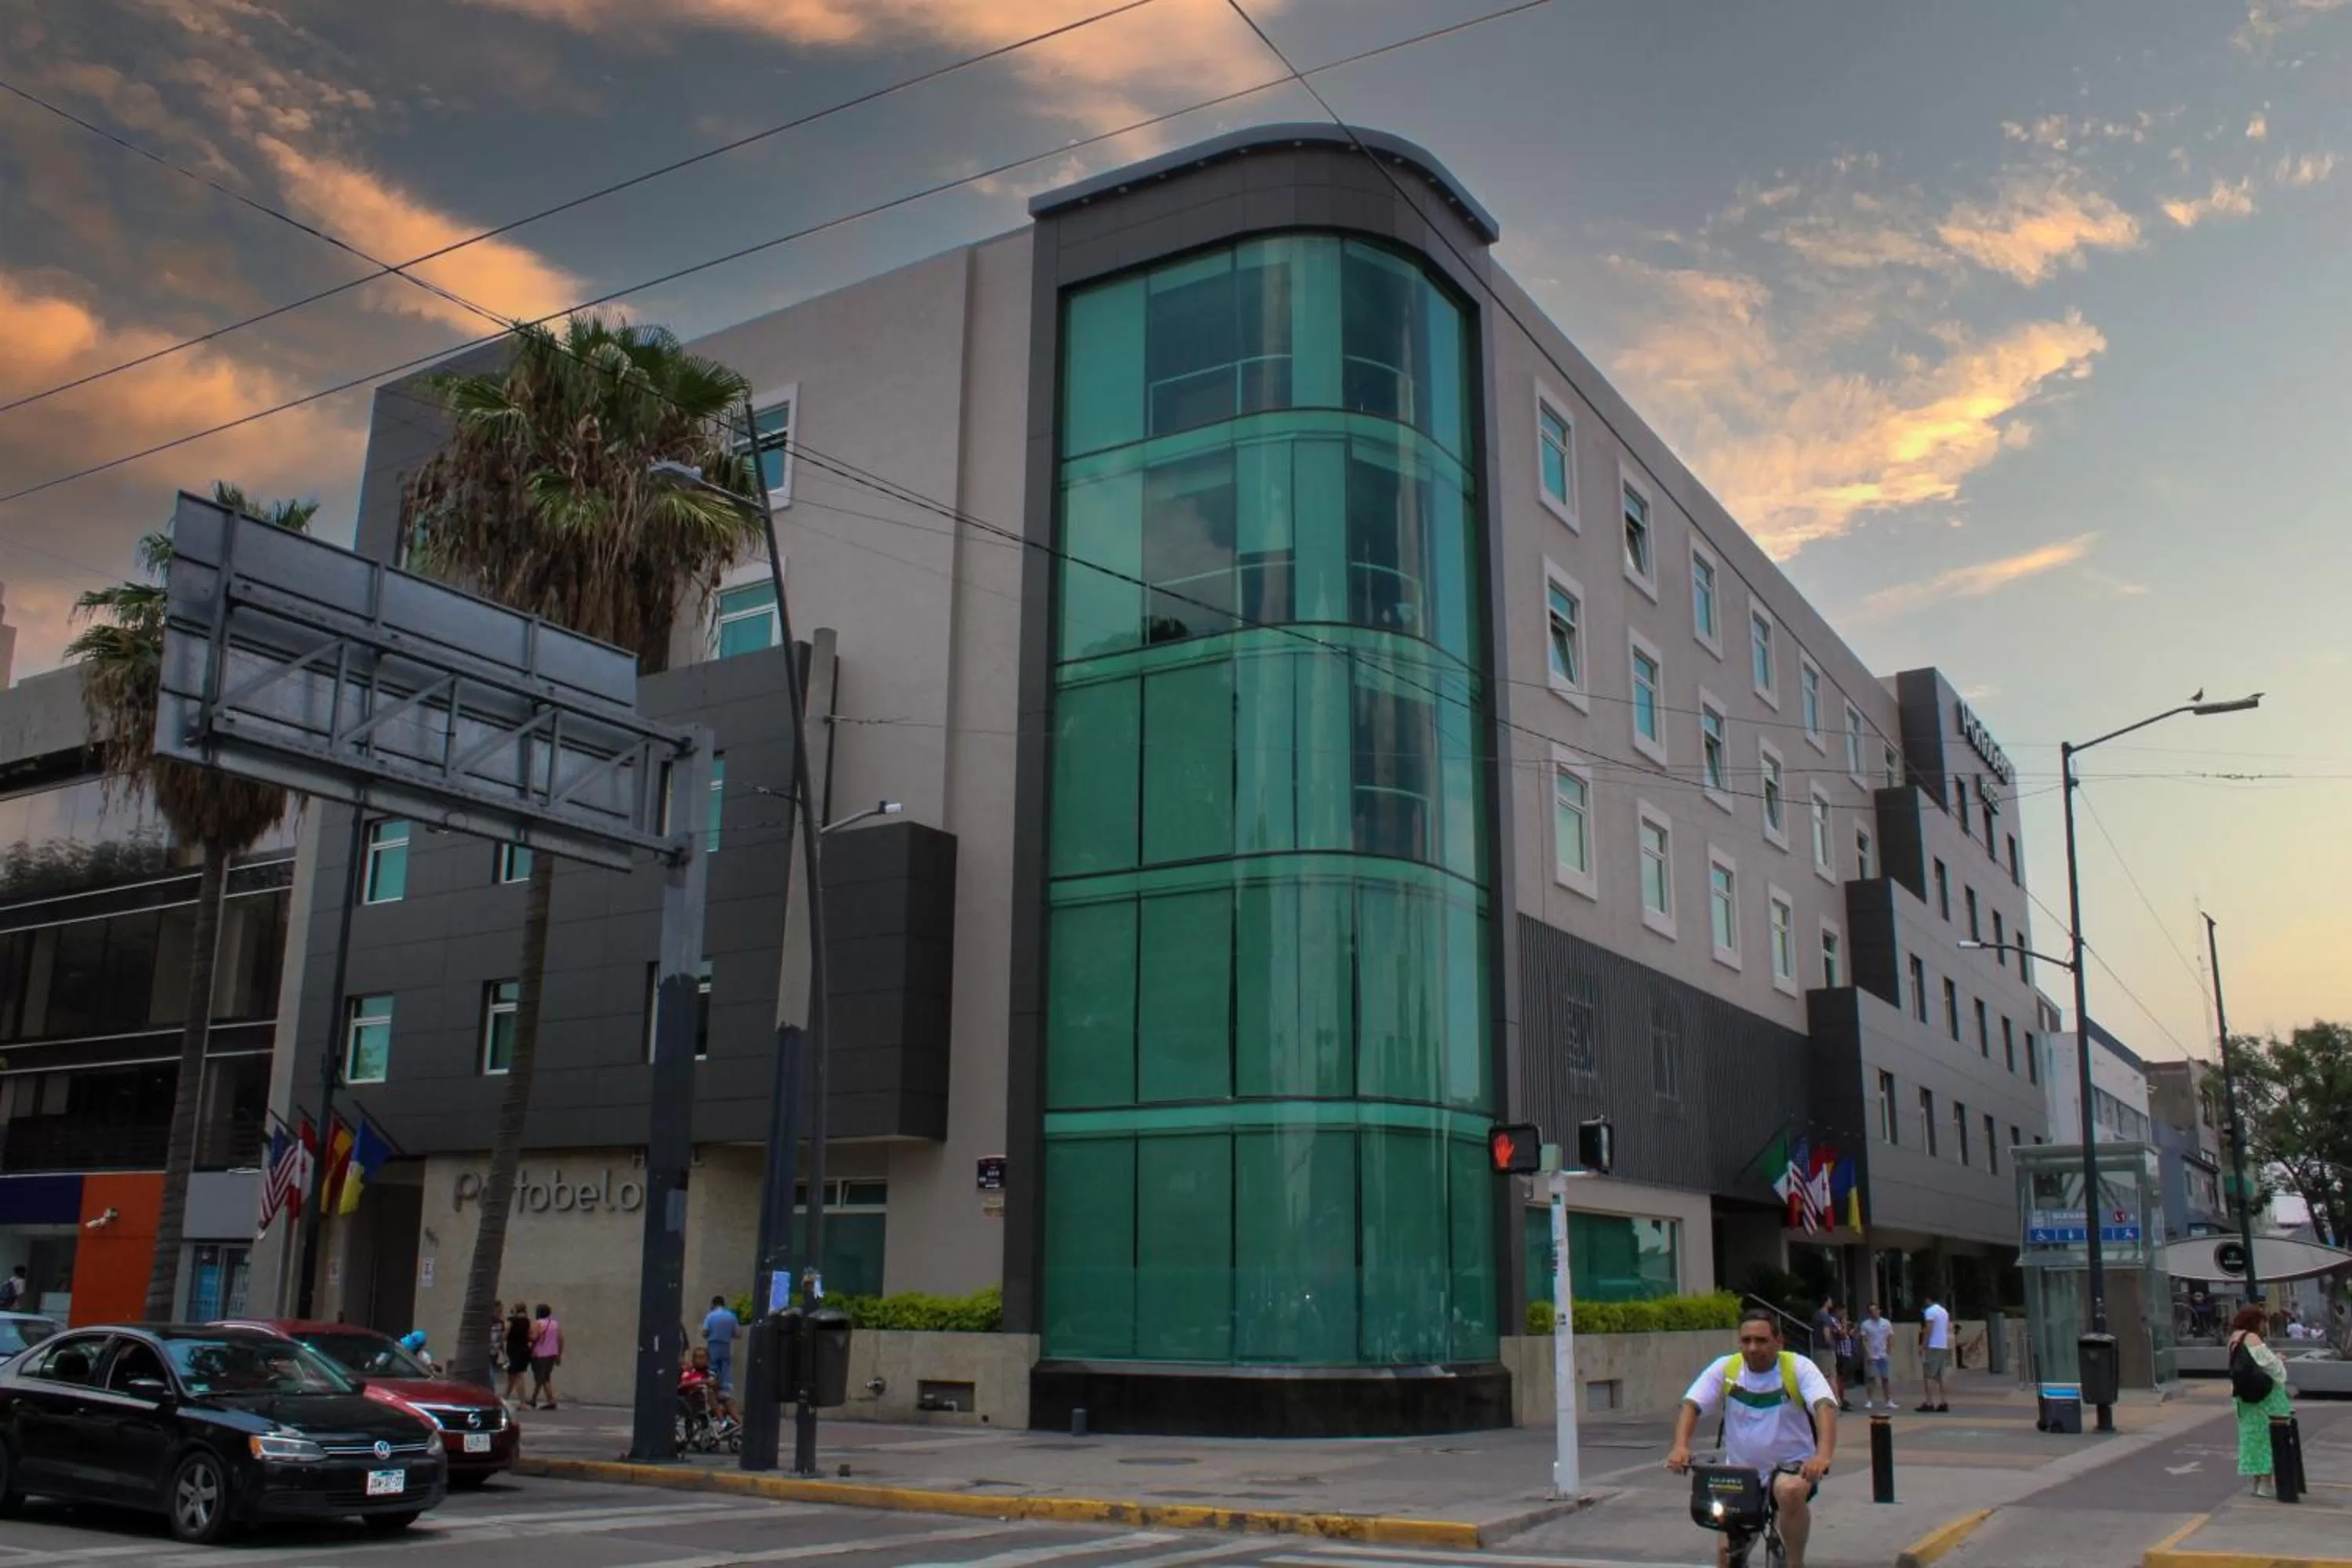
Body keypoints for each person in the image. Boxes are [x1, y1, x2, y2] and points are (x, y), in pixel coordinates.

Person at [1668, 1308, 1838, 1568]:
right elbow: (1692, 1404)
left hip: (1791, 1469)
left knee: (1789, 1491)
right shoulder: (1727, 1368)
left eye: (1761, 1340)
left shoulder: (1797, 1367)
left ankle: (1796, 1564)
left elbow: (1824, 1407)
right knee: (1727, 1559)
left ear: (1779, 1341)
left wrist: (1823, 1456)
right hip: (1742, 1477)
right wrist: (1680, 1447)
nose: (1752, 1348)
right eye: (1746, 1340)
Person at [2228, 1304, 2294, 1497]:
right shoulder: (2252, 1337)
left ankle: (2257, 1482)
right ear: (2256, 1321)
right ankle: (2266, 1483)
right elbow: (2270, 1365)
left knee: (2252, 1438)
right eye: (2263, 1322)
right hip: (2266, 1397)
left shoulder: (2234, 1339)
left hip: (2243, 1397)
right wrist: (2280, 1360)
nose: (2265, 1327)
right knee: (2270, 1438)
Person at [1918, 1293, 1952, 1412]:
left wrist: (1924, 1344)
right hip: (1943, 1345)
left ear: (1928, 1300)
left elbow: (1929, 1328)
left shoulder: (1930, 1312)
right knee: (1941, 1375)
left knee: (1928, 1375)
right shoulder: (1944, 1312)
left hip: (1933, 1345)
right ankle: (1944, 1401)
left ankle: (1929, 1402)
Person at [702, 1294, 741, 1400]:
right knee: (725, 1367)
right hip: (726, 1345)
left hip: (713, 1344)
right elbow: (738, 1334)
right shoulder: (731, 1316)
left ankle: (714, 1390)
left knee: (713, 1367)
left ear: (713, 1304)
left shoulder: (710, 1316)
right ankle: (726, 1390)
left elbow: (705, 1333)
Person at [1859, 1302, 1895, 1412]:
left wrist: (1888, 1352)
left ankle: (1888, 1400)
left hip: (1883, 1354)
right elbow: (1864, 1340)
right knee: (1871, 1378)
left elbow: (1890, 1337)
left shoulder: (1886, 1323)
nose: (1874, 1312)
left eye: (1876, 1310)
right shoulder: (1866, 1324)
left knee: (1885, 1378)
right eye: (1871, 1311)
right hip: (1872, 1355)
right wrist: (1868, 1354)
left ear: (1879, 1311)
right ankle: (1869, 1400)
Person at [529, 1302, 564, 1410]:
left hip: (539, 1354)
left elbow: (534, 1337)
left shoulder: (538, 1323)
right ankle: (535, 1399)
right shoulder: (555, 1324)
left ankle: (548, 1400)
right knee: (544, 1377)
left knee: (542, 1378)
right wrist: (559, 1354)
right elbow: (561, 1340)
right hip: (552, 1353)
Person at [1809, 1298, 1842, 1402]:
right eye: (1830, 1300)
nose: (1831, 1302)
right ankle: (1835, 1400)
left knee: (1823, 1376)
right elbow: (1827, 1333)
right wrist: (1832, 1346)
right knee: (1831, 1377)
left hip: (1817, 1349)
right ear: (1826, 1302)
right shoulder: (1825, 1317)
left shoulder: (1816, 1315)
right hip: (1825, 1350)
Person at [503, 1301, 535, 1405]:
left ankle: (522, 1402)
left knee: (518, 1375)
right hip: (524, 1349)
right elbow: (530, 1335)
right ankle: (505, 1398)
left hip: (514, 1349)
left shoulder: (511, 1320)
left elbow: (506, 1333)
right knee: (512, 1375)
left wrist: (503, 1339)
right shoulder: (527, 1322)